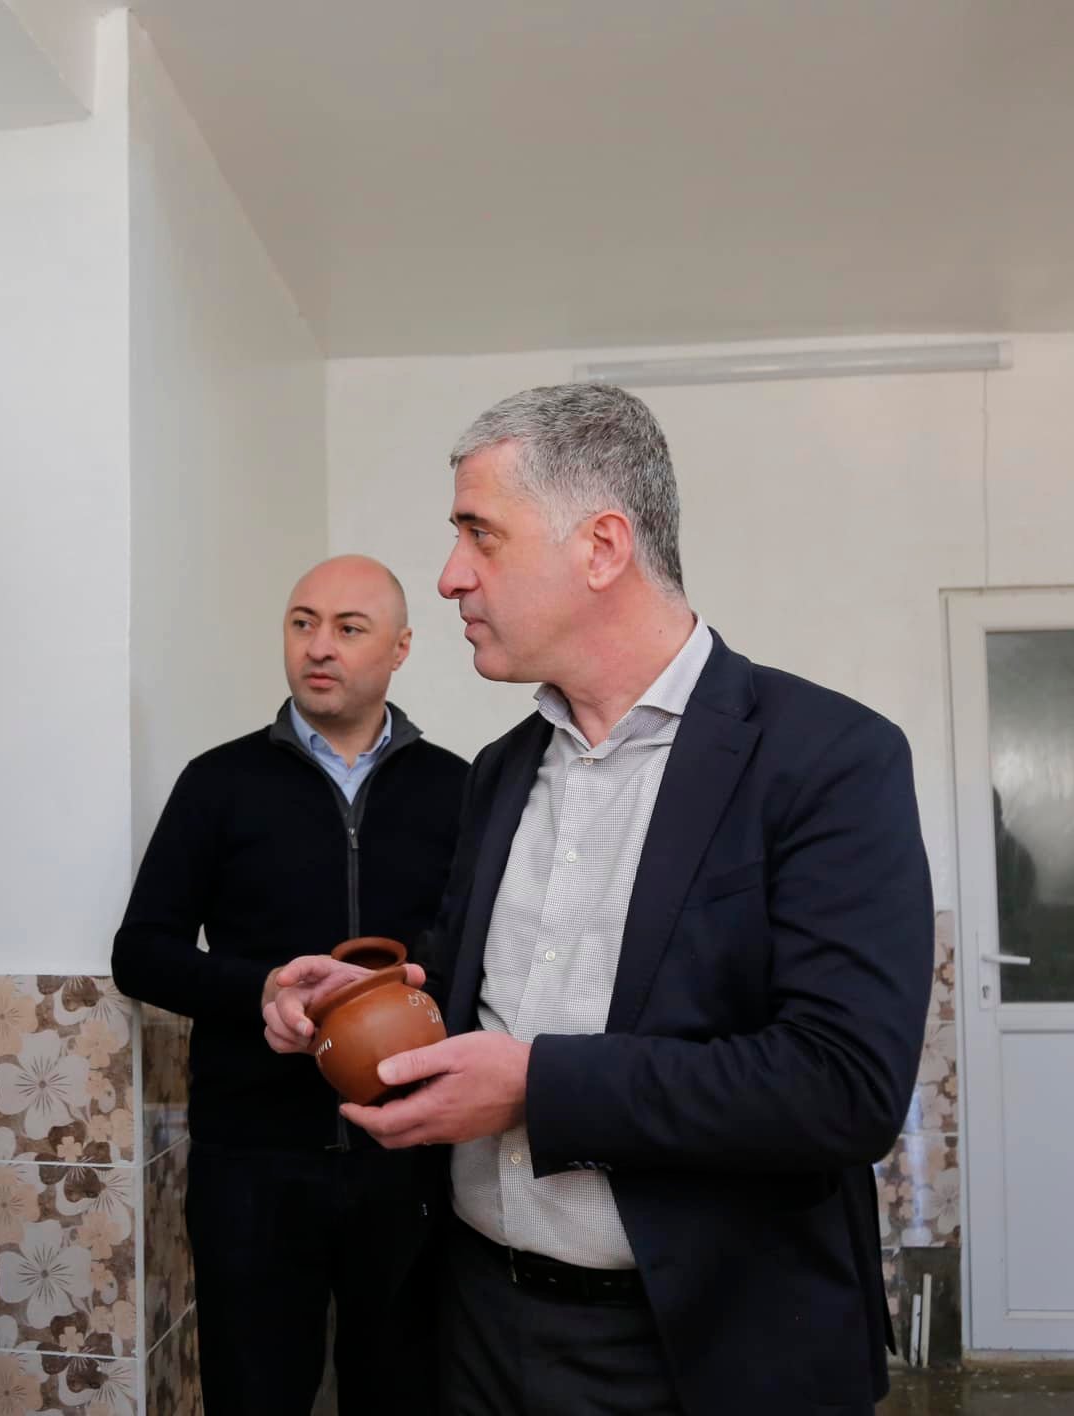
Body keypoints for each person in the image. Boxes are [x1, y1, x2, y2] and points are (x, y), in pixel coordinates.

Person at [265, 386, 933, 1415]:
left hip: (702, 1350)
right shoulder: (502, 768)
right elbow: (485, 978)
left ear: (602, 547)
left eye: (479, 534)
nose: (449, 576)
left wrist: (538, 1088)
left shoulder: (828, 757)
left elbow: (842, 1086)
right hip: (474, 1324)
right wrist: (364, 994)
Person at [113, 555, 469, 1416]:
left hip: (409, 1157)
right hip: (252, 1163)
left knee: (404, 1394)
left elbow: (484, 950)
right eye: (302, 622)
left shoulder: (460, 789)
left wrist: (419, 978)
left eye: (349, 628)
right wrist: (260, 989)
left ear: (400, 648)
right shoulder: (218, 783)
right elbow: (140, 952)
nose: (319, 646)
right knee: (255, 1396)